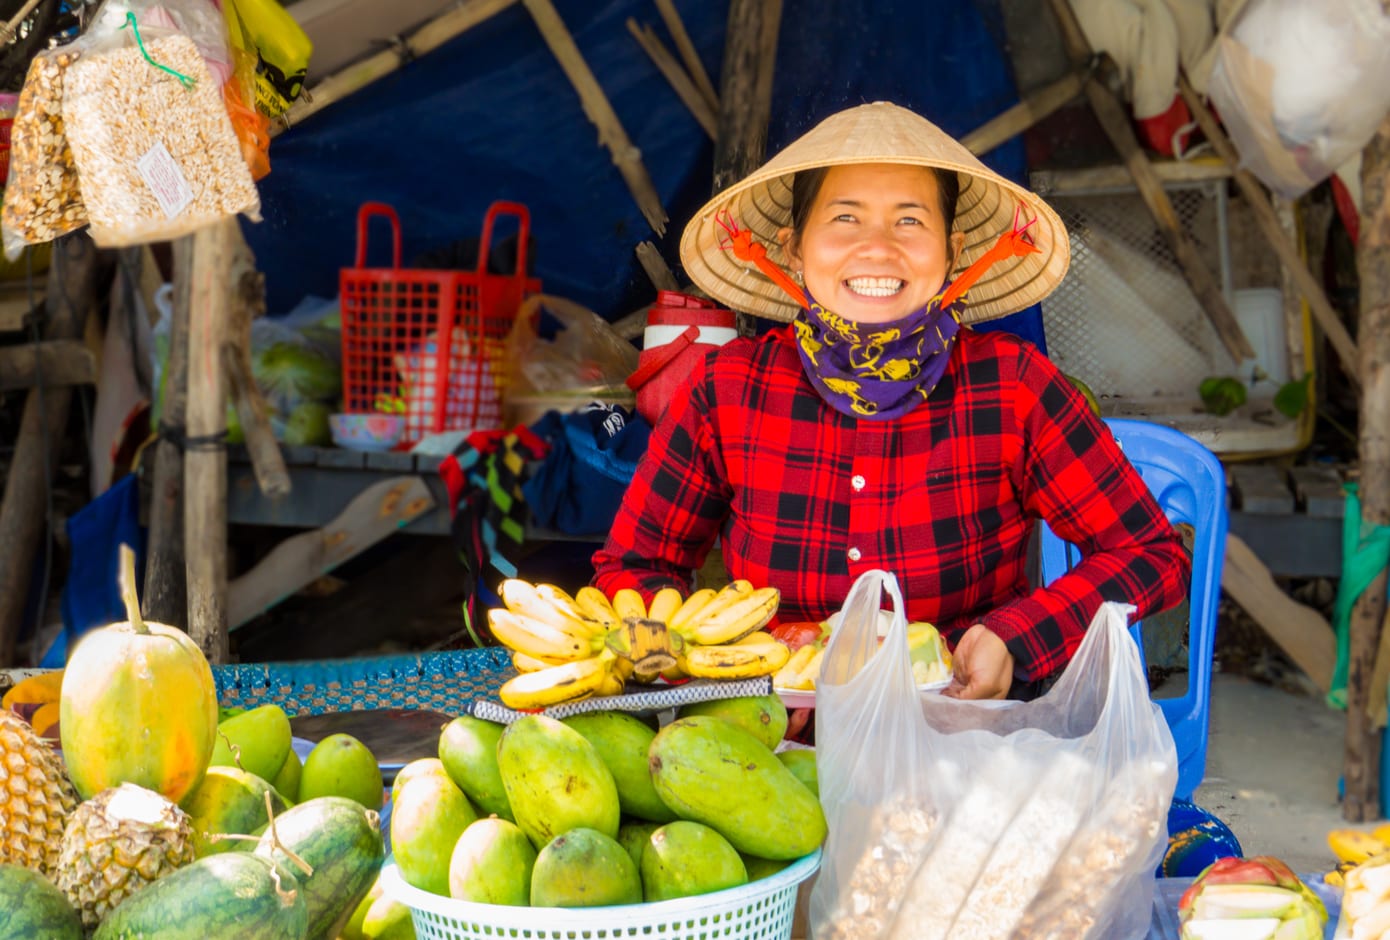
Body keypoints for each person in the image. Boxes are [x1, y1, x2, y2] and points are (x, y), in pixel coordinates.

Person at [591, 101, 1190, 700]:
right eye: (845, 218)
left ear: (953, 251)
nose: (876, 247)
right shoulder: (726, 391)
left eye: (909, 221)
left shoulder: (1014, 385)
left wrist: (1014, 637)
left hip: (961, 731)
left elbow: (1151, 554)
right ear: (793, 247)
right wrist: (723, 662)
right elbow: (634, 567)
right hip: (773, 733)